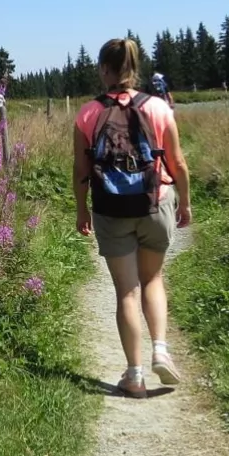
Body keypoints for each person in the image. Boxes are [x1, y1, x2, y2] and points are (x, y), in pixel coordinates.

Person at [72, 38, 192, 398]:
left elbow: (80, 169)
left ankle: (134, 376)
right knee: (153, 277)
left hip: (111, 207)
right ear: (135, 68)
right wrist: (185, 202)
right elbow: (178, 163)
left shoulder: (87, 114)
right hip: (155, 202)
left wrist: (81, 209)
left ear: (105, 69)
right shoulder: (158, 108)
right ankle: (160, 349)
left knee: (126, 290)